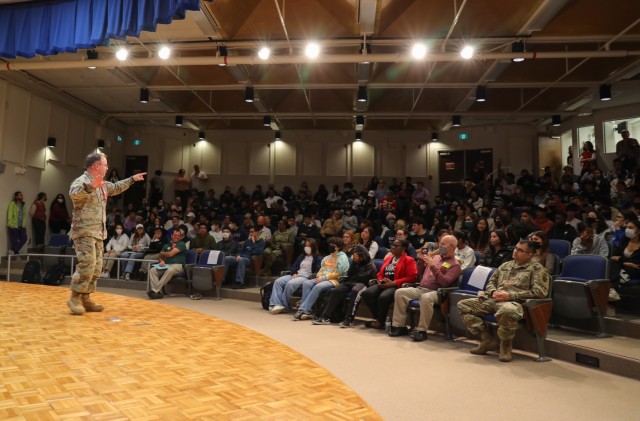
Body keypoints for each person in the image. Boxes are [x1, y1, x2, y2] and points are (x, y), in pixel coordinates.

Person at [67, 152, 146, 315]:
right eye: (105, 164)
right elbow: (74, 194)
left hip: (98, 232)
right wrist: (90, 187)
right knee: (87, 264)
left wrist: (132, 179)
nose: (107, 167)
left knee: (96, 267)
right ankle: (75, 297)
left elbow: (116, 188)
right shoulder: (82, 181)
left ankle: (86, 298)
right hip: (84, 231)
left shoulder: (102, 184)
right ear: (96, 166)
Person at [457, 240, 551, 362]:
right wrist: (493, 292)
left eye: (520, 250)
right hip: (494, 300)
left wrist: (510, 296)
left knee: (507, 310)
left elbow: (540, 292)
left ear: (530, 254)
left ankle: (505, 346)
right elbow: (491, 282)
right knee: (463, 305)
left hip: (516, 303)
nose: (515, 251)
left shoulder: (537, 269)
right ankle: (487, 340)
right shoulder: (505, 265)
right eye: (516, 248)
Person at [389, 235, 461, 341]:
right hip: (421, 288)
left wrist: (432, 266)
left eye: (443, 244)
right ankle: (399, 326)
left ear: (452, 247)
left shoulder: (455, 265)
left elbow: (445, 283)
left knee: (426, 297)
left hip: (438, 292)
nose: (440, 246)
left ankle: (422, 331)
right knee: (400, 292)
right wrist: (421, 262)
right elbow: (420, 272)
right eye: (440, 243)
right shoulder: (435, 257)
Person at [359, 238, 418, 329]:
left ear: (403, 248)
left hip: (396, 286)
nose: (393, 247)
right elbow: (380, 273)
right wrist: (380, 280)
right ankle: (380, 319)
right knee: (367, 293)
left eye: (396, 246)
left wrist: (394, 283)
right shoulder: (389, 258)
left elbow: (412, 277)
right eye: (392, 245)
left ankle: (380, 322)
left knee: (383, 297)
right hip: (384, 283)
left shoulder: (409, 260)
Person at [313, 244, 377, 325]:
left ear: (362, 256)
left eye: (356, 256)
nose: (354, 258)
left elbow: (364, 279)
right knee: (336, 290)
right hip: (350, 282)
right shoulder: (354, 262)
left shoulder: (371, 265)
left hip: (363, 284)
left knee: (355, 290)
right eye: (354, 255)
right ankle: (325, 317)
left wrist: (352, 277)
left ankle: (349, 318)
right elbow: (349, 274)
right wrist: (344, 279)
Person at [293, 236, 349, 320]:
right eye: (330, 244)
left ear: (338, 247)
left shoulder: (342, 257)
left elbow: (339, 272)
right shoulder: (327, 257)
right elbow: (322, 269)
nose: (330, 246)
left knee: (318, 286)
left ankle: (303, 309)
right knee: (307, 283)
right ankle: (307, 309)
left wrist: (324, 278)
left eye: (332, 244)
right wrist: (319, 276)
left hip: (334, 280)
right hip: (322, 278)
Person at [269, 239, 322, 314]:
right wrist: (294, 273)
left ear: (314, 247)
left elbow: (317, 271)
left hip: (306, 277)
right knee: (278, 281)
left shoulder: (318, 258)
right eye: (306, 246)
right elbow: (293, 266)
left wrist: (309, 277)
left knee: (290, 284)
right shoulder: (301, 256)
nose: (307, 247)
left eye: (309, 246)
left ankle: (284, 305)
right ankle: (275, 303)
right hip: (296, 274)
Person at [147, 229, 187, 299]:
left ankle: (154, 290)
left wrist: (162, 253)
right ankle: (158, 293)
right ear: (171, 236)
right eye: (175, 235)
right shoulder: (166, 245)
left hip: (178, 266)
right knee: (152, 270)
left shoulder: (181, 244)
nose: (177, 237)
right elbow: (160, 257)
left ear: (180, 237)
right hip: (166, 265)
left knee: (170, 270)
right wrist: (161, 261)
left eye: (178, 235)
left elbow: (171, 254)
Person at [7, 191, 27, 256]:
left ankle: (13, 251)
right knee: (14, 241)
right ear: (16, 197)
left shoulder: (23, 204)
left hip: (22, 226)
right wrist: (11, 224)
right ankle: (15, 255)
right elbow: (10, 215)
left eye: (22, 195)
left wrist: (24, 224)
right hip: (13, 226)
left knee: (24, 238)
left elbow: (25, 215)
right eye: (20, 195)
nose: (22, 196)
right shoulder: (12, 204)